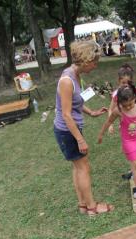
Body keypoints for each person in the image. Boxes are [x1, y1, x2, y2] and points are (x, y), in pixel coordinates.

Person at [53, 40, 113, 215]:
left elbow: (75, 102)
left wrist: (91, 112)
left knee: (78, 167)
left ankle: (82, 205)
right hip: (67, 131)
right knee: (83, 167)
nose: (95, 66)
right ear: (86, 60)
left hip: (70, 129)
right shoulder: (66, 80)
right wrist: (80, 139)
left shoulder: (75, 74)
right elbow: (66, 114)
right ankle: (92, 207)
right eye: (94, 62)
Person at [107, 64, 136, 134]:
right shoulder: (116, 94)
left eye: (128, 83)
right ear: (119, 81)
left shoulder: (135, 91)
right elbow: (110, 110)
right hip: (124, 124)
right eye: (123, 83)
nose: (126, 85)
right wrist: (110, 124)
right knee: (129, 142)